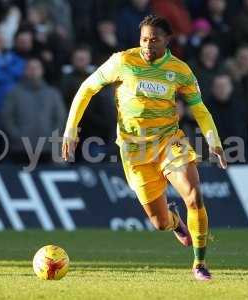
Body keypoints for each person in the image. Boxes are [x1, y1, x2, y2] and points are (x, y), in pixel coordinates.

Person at [62, 15, 227, 281]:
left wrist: (214, 141)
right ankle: (174, 220)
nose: (148, 45)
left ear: (167, 41)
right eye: (144, 39)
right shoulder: (123, 61)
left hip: (169, 141)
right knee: (160, 223)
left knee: (194, 196)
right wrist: (71, 129)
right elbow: (86, 89)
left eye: (154, 39)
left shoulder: (181, 70)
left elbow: (199, 108)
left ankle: (199, 263)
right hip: (134, 150)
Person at [2, 58, 66, 164]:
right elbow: (7, 117)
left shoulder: (52, 93)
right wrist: (17, 136)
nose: (33, 71)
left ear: (41, 71)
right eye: (30, 68)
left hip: (47, 148)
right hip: (21, 148)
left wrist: (52, 136)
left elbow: (60, 117)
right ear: (25, 71)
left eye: (36, 68)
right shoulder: (14, 93)